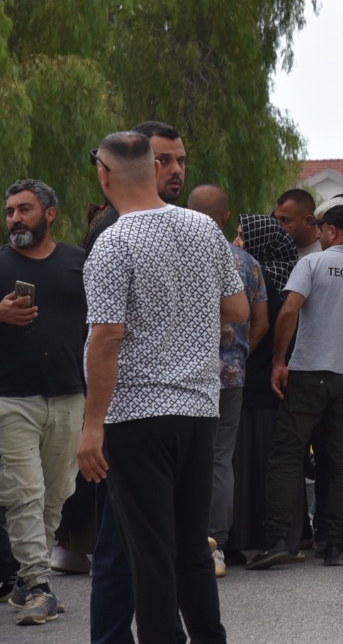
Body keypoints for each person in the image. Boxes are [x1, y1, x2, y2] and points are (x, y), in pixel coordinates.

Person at [78, 130, 247, 644]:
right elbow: (238, 310)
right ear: (153, 169)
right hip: (198, 407)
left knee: (149, 552)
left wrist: (91, 426)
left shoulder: (112, 242)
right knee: (193, 548)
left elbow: (106, 338)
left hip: (136, 415)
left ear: (104, 175)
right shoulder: (202, 227)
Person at [86, 118, 193, 644]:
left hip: (179, 409)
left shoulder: (182, 227)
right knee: (121, 545)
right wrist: (94, 426)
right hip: (127, 415)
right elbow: (104, 337)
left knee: (157, 544)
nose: (173, 170)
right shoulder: (116, 233)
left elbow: (236, 308)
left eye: (179, 160)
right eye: (164, 160)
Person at [247, 205, 343, 569]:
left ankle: (280, 538)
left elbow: (290, 310)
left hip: (308, 373)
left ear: (330, 231)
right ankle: (336, 544)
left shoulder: (312, 264)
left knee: (287, 456)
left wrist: (280, 361)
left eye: (320, 228)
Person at [0, 179, 86, 624]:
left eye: (25, 209)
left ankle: (22, 585)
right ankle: (38, 584)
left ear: (49, 213)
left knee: (55, 495)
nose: (15, 218)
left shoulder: (78, 261)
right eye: (10, 210)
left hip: (70, 394)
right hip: (10, 398)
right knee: (24, 493)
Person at [186, 184, 269, 577]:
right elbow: (261, 320)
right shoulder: (247, 263)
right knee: (220, 459)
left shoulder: (175, 256)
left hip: (180, 377)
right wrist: (238, 354)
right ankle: (215, 544)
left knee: (180, 459)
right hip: (230, 377)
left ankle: (180, 541)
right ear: (225, 217)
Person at [230, 214, 304, 562]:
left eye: (244, 235)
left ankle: (248, 530)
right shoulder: (293, 275)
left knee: (252, 458)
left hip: (259, 378)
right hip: (275, 380)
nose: (238, 242)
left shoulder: (260, 277)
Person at [274, 189, 320, 259]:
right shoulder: (274, 252)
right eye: (275, 219)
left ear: (309, 221)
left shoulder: (325, 255)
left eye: (285, 220)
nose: (278, 226)